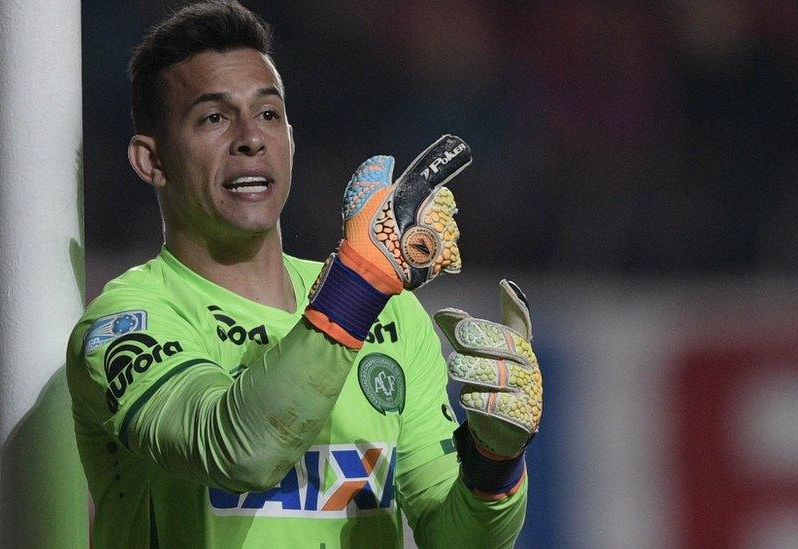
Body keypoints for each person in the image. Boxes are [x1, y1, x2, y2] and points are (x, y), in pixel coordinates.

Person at [66, 2, 543, 547]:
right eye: (214, 118)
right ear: (151, 161)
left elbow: (455, 539)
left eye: (268, 114)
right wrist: (359, 281)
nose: (251, 138)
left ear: (290, 138)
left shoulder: (392, 316)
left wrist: (494, 462)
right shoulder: (126, 325)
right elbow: (242, 451)